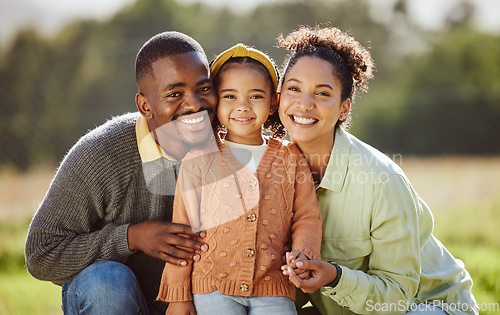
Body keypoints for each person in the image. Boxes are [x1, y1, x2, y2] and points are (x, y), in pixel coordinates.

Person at [278, 26, 478, 315]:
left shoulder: (381, 180)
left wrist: (335, 277)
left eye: (322, 93)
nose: (305, 103)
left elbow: (398, 297)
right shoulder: (271, 170)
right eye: (294, 89)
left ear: (344, 108)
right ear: (279, 96)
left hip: (427, 307)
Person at [24, 31, 218, 314]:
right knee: (107, 282)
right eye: (174, 94)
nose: (195, 104)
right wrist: (131, 238)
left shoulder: (230, 143)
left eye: (203, 89)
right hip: (114, 299)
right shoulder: (99, 155)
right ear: (145, 106)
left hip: (194, 302)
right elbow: (41, 253)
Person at [156, 43, 323, 315]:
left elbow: (307, 217)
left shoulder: (290, 158)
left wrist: (304, 255)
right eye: (230, 96)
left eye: (255, 96)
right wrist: (179, 296)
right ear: (215, 103)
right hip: (212, 287)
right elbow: (182, 230)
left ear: (273, 103)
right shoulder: (199, 159)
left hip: (273, 286)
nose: (242, 107)